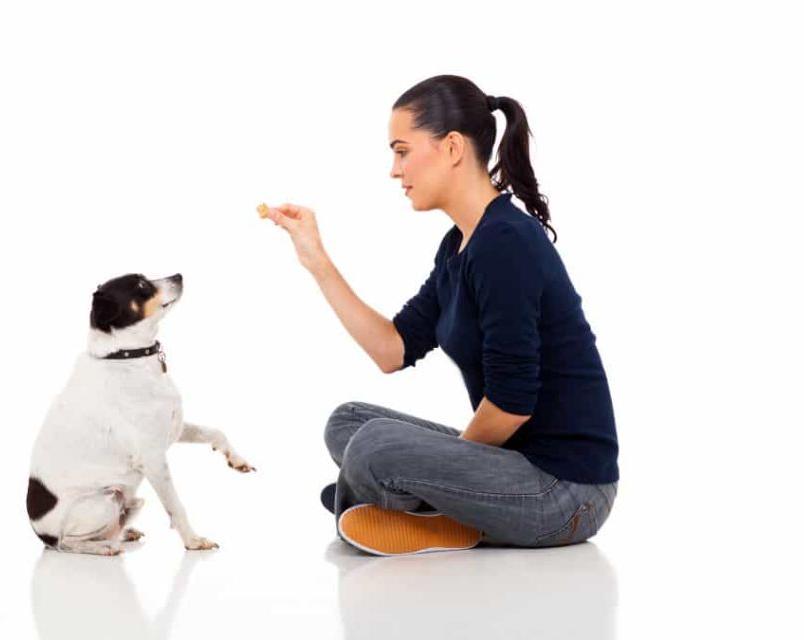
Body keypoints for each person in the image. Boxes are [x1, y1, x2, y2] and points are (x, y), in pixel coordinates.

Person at [263, 74, 619, 556]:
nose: (394, 169)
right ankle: (415, 510)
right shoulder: (459, 246)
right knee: (349, 422)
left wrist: (442, 464)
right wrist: (317, 260)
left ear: (452, 147)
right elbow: (393, 349)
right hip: (512, 465)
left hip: (567, 494)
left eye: (402, 150)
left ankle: (407, 507)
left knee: (375, 448)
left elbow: (513, 404)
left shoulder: (505, 244)